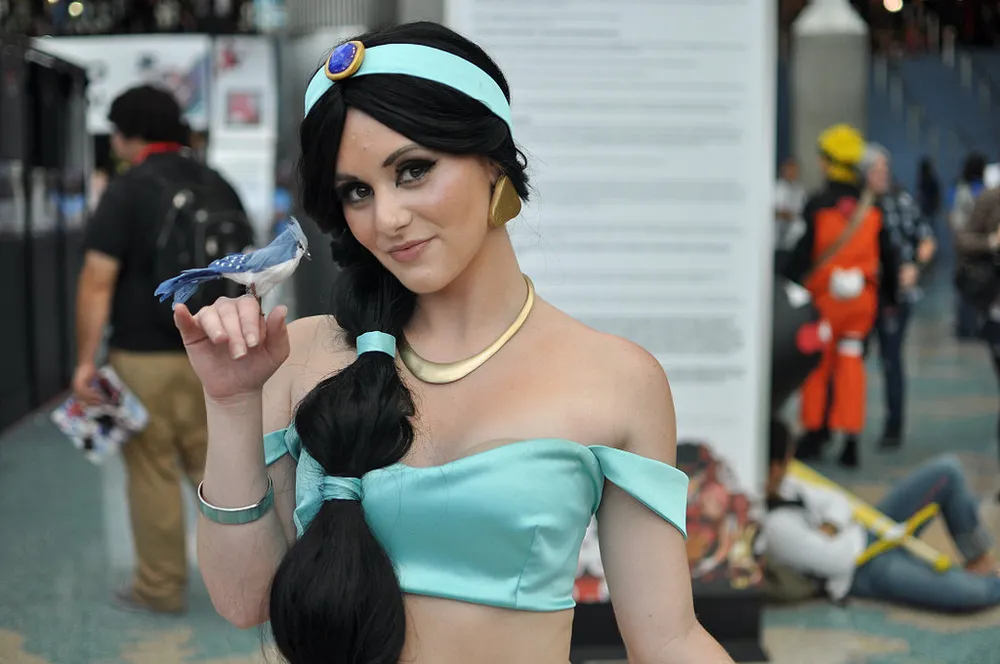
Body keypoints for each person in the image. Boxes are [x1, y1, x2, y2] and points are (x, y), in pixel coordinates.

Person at [172, 22, 733, 664]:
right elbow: (243, 600)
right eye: (357, 191)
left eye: (413, 171)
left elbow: (668, 638)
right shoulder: (299, 355)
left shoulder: (617, 380)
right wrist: (231, 404)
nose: (387, 218)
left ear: (492, 158)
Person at [73, 85, 246, 614]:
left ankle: (160, 587)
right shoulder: (218, 183)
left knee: (152, 471)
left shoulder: (128, 190)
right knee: (220, 472)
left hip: (144, 355)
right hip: (218, 351)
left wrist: (84, 361)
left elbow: (97, 280)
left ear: (129, 134)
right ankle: (252, 583)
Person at [764, 418, 1000, 612]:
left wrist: (831, 526)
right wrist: (841, 523)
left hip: (870, 529)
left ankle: (979, 559)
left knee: (948, 471)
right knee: (975, 593)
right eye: (788, 460)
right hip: (863, 568)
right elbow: (837, 561)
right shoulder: (774, 525)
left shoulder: (786, 484)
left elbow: (838, 500)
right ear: (775, 467)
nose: (791, 465)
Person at [781, 125, 899, 468]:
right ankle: (850, 441)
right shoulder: (872, 207)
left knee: (817, 369)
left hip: (824, 304)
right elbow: (888, 258)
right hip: (860, 305)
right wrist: (890, 299)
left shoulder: (817, 205)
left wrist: (787, 282)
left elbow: (801, 255)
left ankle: (814, 434)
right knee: (851, 367)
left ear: (828, 162)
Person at [862, 145, 936, 450]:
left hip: (895, 296)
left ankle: (893, 427)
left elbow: (927, 239)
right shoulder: (856, 205)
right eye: (875, 170)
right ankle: (837, 429)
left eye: (885, 169)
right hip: (860, 295)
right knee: (850, 359)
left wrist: (914, 267)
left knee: (891, 360)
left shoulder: (901, 200)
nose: (882, 175)